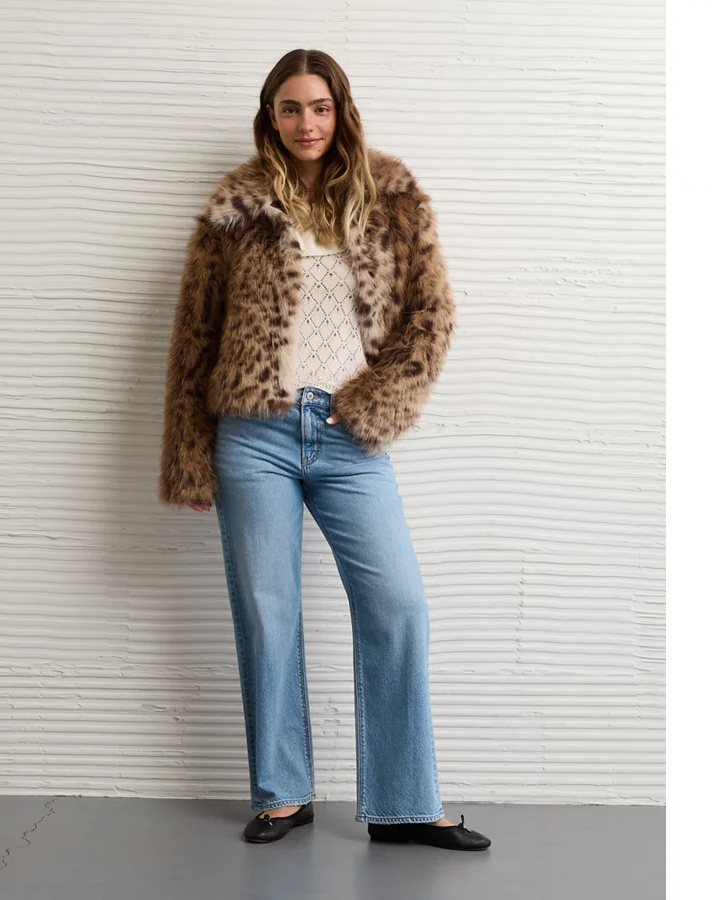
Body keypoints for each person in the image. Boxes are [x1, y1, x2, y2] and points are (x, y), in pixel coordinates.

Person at [157, 48, 491, 851]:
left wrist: (376, 402)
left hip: (349, 438)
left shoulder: (392, 198)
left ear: (340, 111)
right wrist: (189, 455)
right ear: (269, 117)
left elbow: (431, 319)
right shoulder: (236, 208)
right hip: (253, 435)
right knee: (267, 613)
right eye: (289, 108)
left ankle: (406, 806)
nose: (305, 123)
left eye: (319, 107)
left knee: (398, 605)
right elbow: (196, 334)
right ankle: (283, 795)